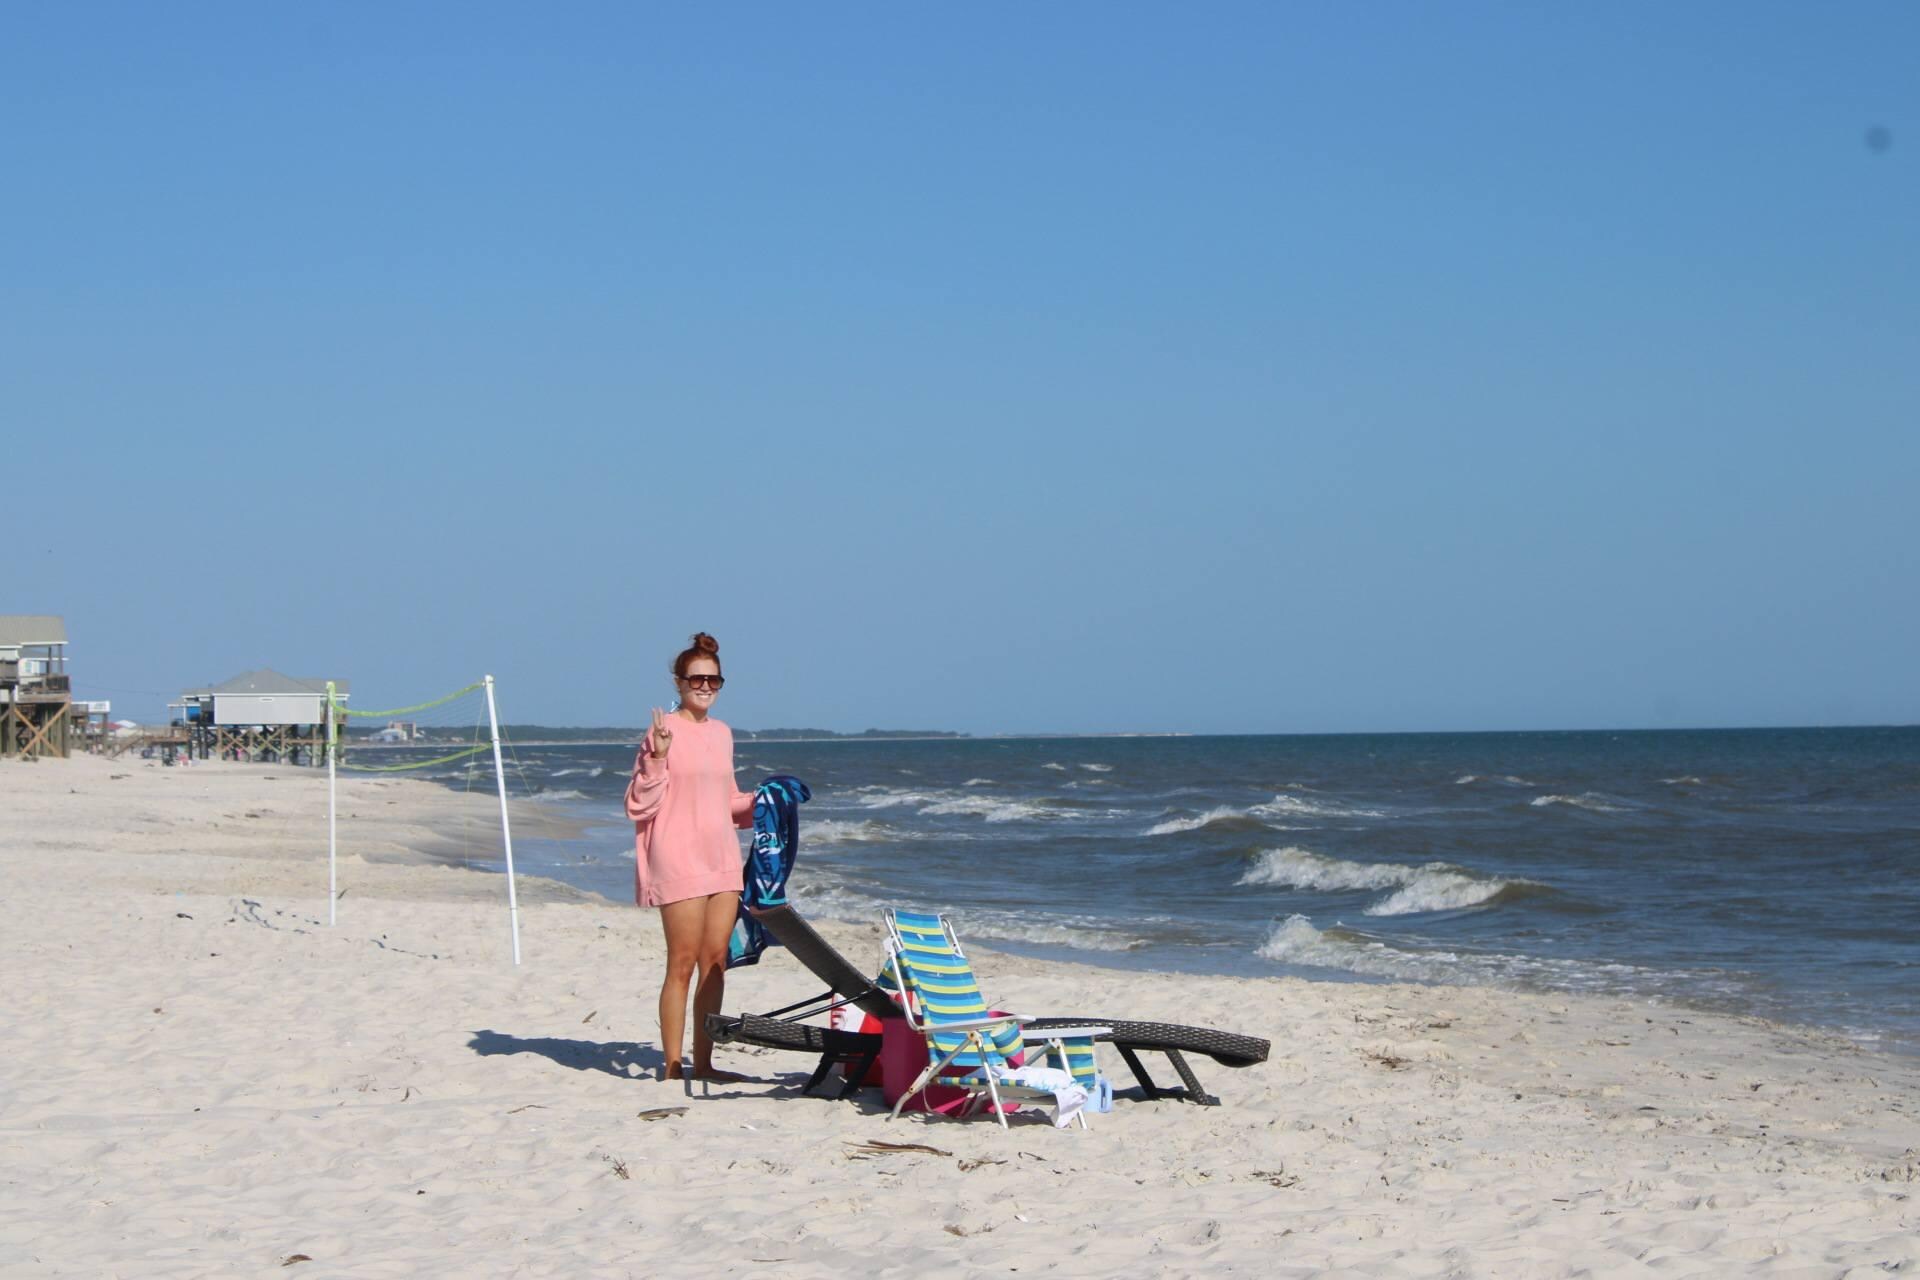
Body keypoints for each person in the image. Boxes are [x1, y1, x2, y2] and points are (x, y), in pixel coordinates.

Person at [625, 632, 754, 1082]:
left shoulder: (722, 734)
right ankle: (672, 1066)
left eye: (714, 681)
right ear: (679, 683)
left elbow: (728, 801)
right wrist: (657, 759)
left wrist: (767, 801)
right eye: (697, 679)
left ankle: (705, 1062)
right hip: (678, 856)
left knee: (716, 960)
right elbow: (639, 803)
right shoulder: (663, 731)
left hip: (721, 857)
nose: (705, 687)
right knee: (681, 961)